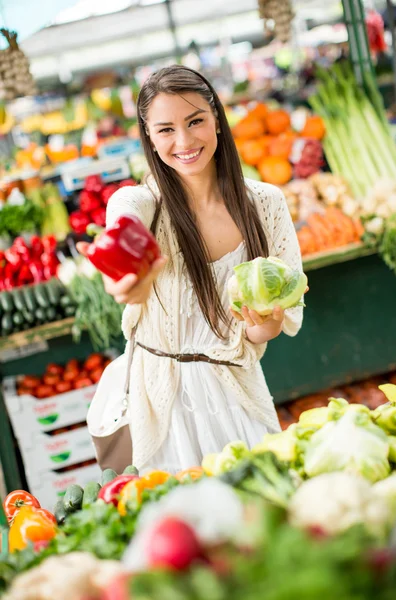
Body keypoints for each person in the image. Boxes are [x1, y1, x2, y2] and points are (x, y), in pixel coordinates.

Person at [81, 65, 304, 474]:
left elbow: (266, 330)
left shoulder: (266, 203)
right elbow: (125, 211)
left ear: (216, 118)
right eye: (165, 129)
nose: (184, 141)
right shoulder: (145, 205)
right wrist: (124, 258)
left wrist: (264, 324)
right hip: (162, 414)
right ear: (148, 135)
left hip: (239, 400)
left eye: (196, 121)